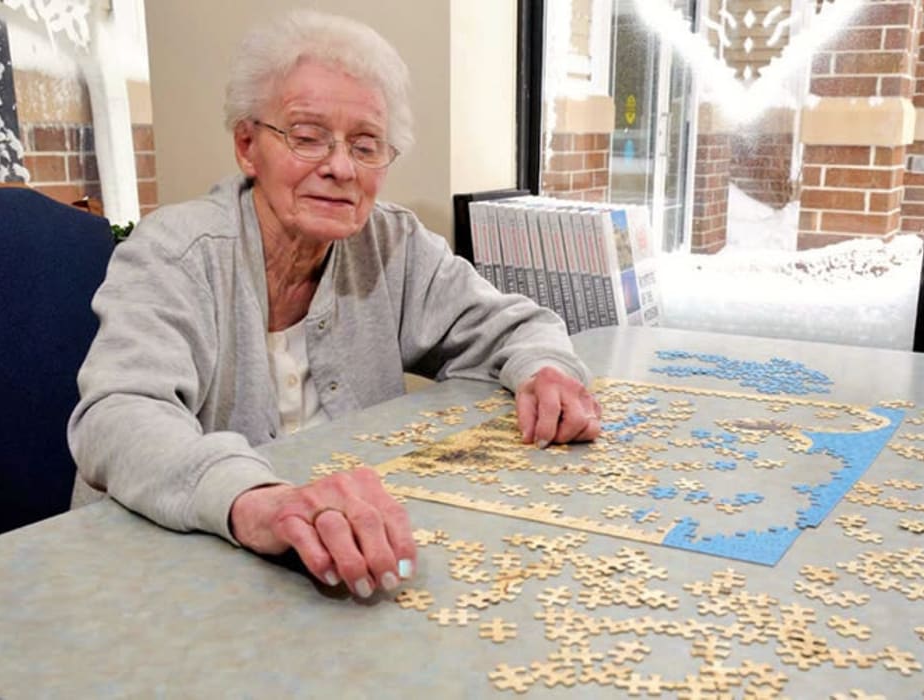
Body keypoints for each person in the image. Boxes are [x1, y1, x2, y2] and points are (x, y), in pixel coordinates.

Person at [68, 10, 601, 601]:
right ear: (248, 146)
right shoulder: (176, 251)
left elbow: (513, 324)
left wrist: (545, 370)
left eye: (365, 145)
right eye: (307, 136)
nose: (341, 166)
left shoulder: (392, 242)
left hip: (342, 572)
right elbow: (117, 416)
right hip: (166, 581)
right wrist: (254, 500)